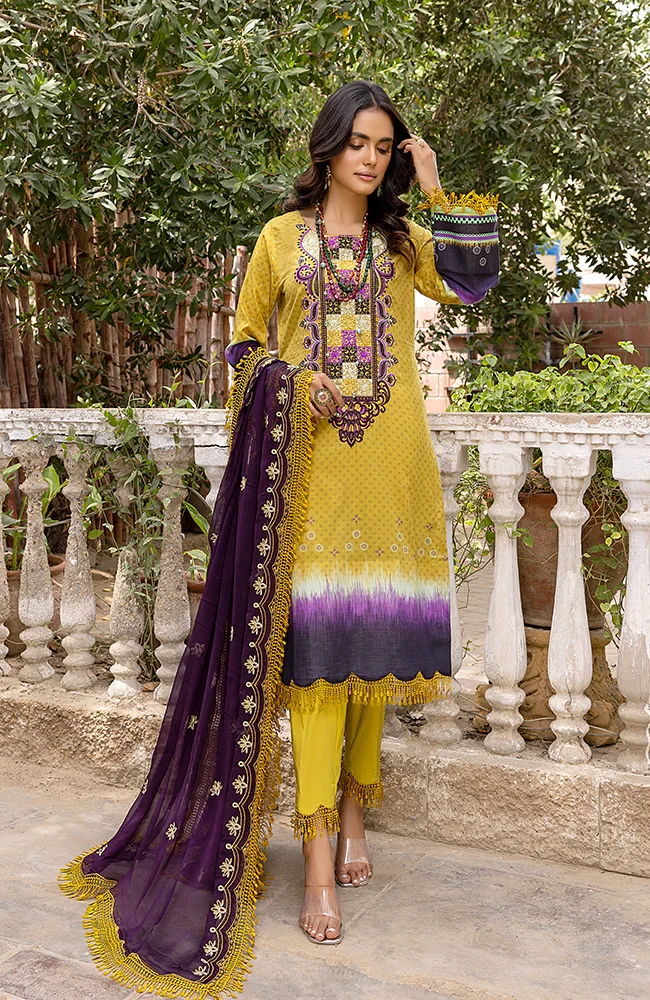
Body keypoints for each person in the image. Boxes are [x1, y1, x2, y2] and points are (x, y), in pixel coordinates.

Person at [59, 79, 498, 996]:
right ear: (328, 148)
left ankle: (356, 813)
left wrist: (436, 183)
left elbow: (470, 281)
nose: (371, 159)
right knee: (320, 663)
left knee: (374, 658)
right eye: (359, 143)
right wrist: (294, 385)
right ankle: (320, 861)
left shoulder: (399, 243)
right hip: (310, 477)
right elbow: (244, 348)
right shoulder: (277, 241)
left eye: (385, 146)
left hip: (396, 468)